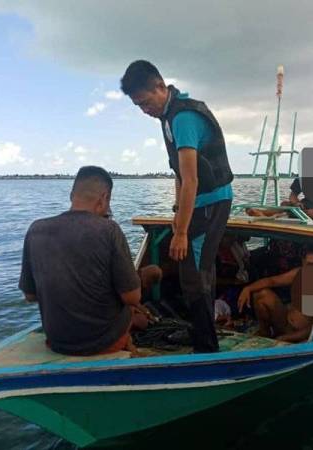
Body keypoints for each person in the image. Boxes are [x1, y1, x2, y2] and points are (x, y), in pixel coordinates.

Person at [121, 60, 234, 353]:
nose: (145, 110)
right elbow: (180, 174)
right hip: (198, 202)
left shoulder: (183, 118)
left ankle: (206, 347)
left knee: (195, 276)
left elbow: (193, 178)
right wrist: (176, 212)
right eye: (138, 107)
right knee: (194, 273)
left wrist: (181, 231)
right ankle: (201, 331)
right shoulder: (169, 116)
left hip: (211, 202)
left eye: (146, 102)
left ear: (160, 86)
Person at [19, 166, 146, 356]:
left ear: (72, 195)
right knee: (141, 316)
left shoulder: (35, 229)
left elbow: (30, 296)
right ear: (104, 199)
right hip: (102, 343)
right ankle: (127, 344)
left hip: (57, 342)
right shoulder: (109, 230)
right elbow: (132, 297)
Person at [237, 243, 313, 343]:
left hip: (300, 334)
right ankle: (265, 332)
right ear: (303, 262)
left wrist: (286, 338)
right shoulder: (299, 273)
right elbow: (272, 281)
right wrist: (247, 288)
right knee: (262, 294)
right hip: (284, 323)